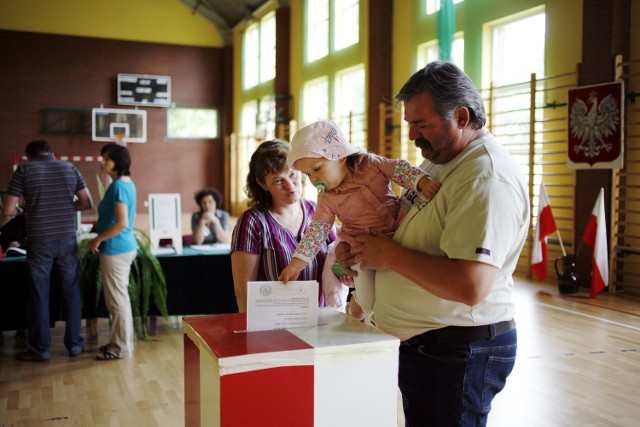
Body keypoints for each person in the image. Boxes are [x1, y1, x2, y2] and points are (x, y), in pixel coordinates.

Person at [335, 61, 530, 426]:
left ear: (460, 116)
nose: (412, 136)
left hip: (460, 352)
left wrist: (390, 256)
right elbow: (409, 235)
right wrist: (361, 252)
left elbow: (470, 285)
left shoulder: (484, 178)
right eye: (409, 124)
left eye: (421, 124)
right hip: (433, 350)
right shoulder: (442, 162)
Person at [278, 119, 440, 325]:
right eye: (308, 174)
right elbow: (317, 231)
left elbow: (399, 169)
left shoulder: (371, 164)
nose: (313, 178)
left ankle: (373, 317)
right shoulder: (327, 198)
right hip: (360, 247)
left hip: (397, 233)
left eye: (317, 168)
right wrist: (295, 265)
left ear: (339, 157)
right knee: (367, 299)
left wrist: (422, 183)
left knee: (392, 287)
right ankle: (357, 309)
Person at [230, 139, 348, 313]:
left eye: (292, 174)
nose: (290, 186)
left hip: (322, 320)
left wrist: (345, 271)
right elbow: (244, 293)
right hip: (274, 327)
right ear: (263, 184)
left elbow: (335, 255)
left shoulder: (321, 211)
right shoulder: (252, 222)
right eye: (278, 180)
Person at [2, 139, 94, 362]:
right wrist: (64, 206)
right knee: (71, 292)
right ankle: (74, 345)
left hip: (40, 241)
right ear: (52, 153)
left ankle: (41, 350)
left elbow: (7, 209)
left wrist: (30, 207)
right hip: (67, 239)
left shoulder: (24, 170)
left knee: (38, 295)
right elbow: (87, 203)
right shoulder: (70, 168)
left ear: (28, 155)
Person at [88, 143, 138, 360]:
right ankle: (121, 343)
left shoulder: (119, 187)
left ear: (118, 162)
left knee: (117, 301)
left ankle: (120, 347)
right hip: (122, 247)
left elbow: (122, 222)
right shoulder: (124, 184)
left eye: (106, 158)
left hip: (116, 249)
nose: (102, 162)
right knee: (119, 299)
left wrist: (98, 238)